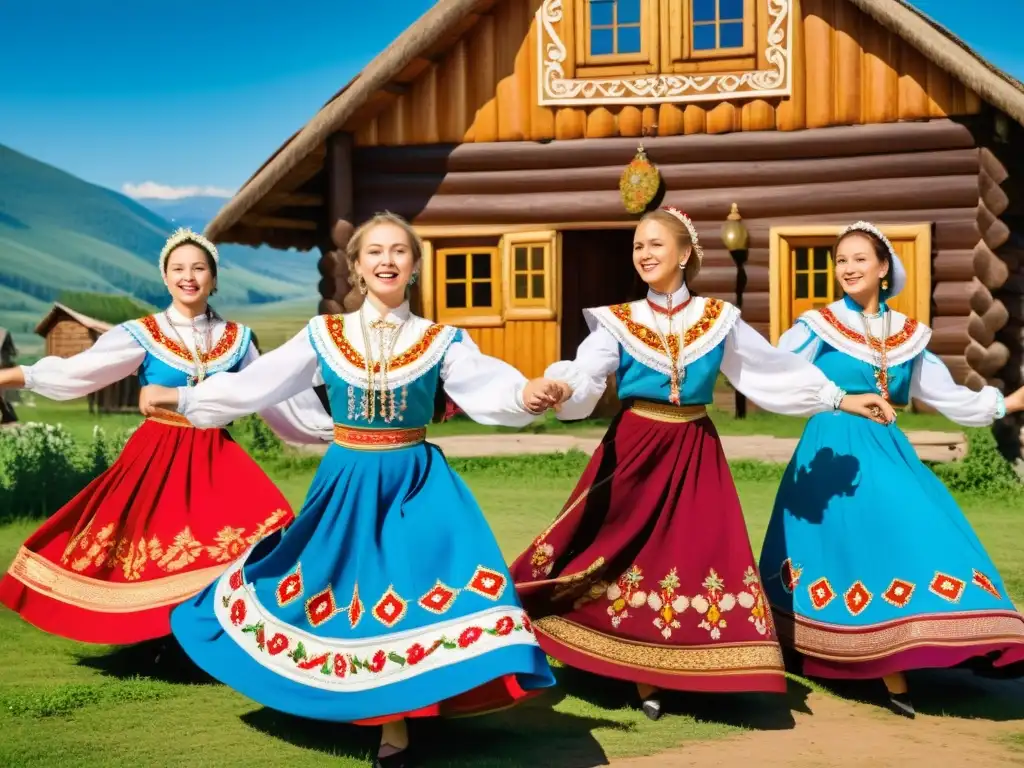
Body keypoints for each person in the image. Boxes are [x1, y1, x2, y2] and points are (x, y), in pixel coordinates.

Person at [138, 212, 561, 768]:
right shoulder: (326, 334)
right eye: (375, 252)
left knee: (419, 588)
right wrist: (185, 399)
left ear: (413, 268)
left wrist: (525, 393)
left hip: (415, 482)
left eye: (399, 252)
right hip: (348, 482)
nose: (387, 260)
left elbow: (488, 383)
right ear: (357, 268)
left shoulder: (439, 340)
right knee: (337, 593)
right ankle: (377, 713)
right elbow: (257, 384)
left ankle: (401, 721)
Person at [508, 206, 893, 720]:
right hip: (637, 449)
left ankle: (686, 665)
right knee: (614, 546)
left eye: (655, 244)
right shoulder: (618, 321)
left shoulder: (719, 319)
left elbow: (769, 371)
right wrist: (562, 387)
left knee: (693, 554)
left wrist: (840, 398)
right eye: (637, 246)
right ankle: (630, 667)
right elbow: (587, 371)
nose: (644, 254)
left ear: (685, 253)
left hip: (694, 450)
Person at [0, 228, 332, 645]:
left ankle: (222, 634)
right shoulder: (142, 333)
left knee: (255, 530)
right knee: (151, 543)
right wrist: (8, 377)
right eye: (178, 268)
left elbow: (271, 393)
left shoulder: (238, 339)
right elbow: (78, 372)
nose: (188, 276)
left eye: (198, 268)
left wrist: (332, 432)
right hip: (158, 453)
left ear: (214, 277)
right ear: (165, 277)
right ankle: (159, 639)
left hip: (216, 455)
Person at [758, 221, 1024, 718]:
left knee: (923, 528)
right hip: (830, 456)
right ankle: (871, 664)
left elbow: (942, 393)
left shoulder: (907, 335)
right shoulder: (815, 326)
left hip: (887, 449)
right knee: (842, 551)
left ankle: (949, 635)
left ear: (884, 268)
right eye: (841, 260)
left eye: (860, 258)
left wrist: (1004, 404)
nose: (848, 268)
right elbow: (771, 371)